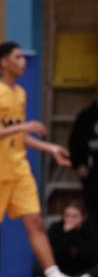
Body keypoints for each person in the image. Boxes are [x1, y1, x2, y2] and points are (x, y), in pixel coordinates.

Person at [0, 41, 73, 277]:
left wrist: (49, 147)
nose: (22, 62)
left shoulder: (20, 93)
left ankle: (53, 273)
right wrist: (24, 127)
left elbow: (19, 134)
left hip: (18, 168)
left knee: (35, 221)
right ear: (4, 62)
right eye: (17, 57)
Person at [68, 87, 98, 228]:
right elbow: (75, 143)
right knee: (92, 209)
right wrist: (79, 164)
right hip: (91, 171)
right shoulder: (85, 116)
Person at [48, 202, 98, 277]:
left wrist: (74, 235)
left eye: (74, 216)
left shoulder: (91, 230)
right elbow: (53, 256)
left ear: (83, 217)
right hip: (61, 271)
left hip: (85, 272)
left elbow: (92, 257)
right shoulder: (55, 228)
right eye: (67, 216)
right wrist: (67, 235)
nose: (70, 219)